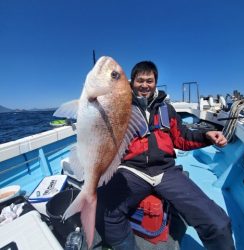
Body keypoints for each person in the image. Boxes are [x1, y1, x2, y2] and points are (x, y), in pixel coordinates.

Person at [96, 61, 235, 250]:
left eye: (149, 81)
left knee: (217, 222)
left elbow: (183, 138)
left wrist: (207, 136)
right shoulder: (118, 108)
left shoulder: (167, 109)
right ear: (132, 82)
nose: (145, 85)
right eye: (140, 80)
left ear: (155, 83)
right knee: (104, 210)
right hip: (132, 170)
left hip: (166, 171)